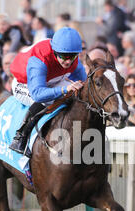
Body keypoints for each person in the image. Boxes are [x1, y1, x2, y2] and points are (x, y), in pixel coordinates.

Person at [9, 27, 87, 156]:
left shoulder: (74, 60)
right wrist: (64, 89)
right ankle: (20, 136)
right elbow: (38, 94)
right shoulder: (39, 59)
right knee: (50, 98)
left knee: (75, 93)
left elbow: (85, 85)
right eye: (64, 56)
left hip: (51, 80)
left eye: (72, 56)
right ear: (55, 51)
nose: (68, 61)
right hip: (25, 84)